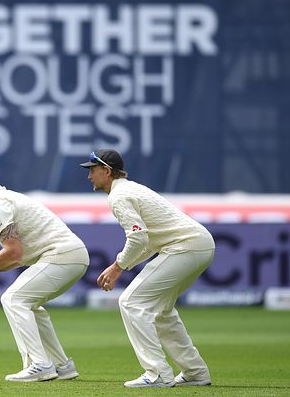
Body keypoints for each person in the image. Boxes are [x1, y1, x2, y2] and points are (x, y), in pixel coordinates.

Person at [0, 157, 89, 382]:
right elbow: (18, 258)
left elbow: (13, 253)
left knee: (13, 299)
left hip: (62, 255)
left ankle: (40, 364)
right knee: (29, 306)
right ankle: (62, 365)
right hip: (70, 255)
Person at [82, 149, 214, 388]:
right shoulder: (130, 188)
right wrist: (120, 265)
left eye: (92, 170)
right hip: (199, 244)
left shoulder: (119, 196)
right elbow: (147, 239)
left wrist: (117, 266)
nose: (89, 176)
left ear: (107, 171)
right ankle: (195, 373)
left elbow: (139, 237)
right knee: (161, 311)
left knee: (131, 302)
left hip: (185, 247)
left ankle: (157, 374)